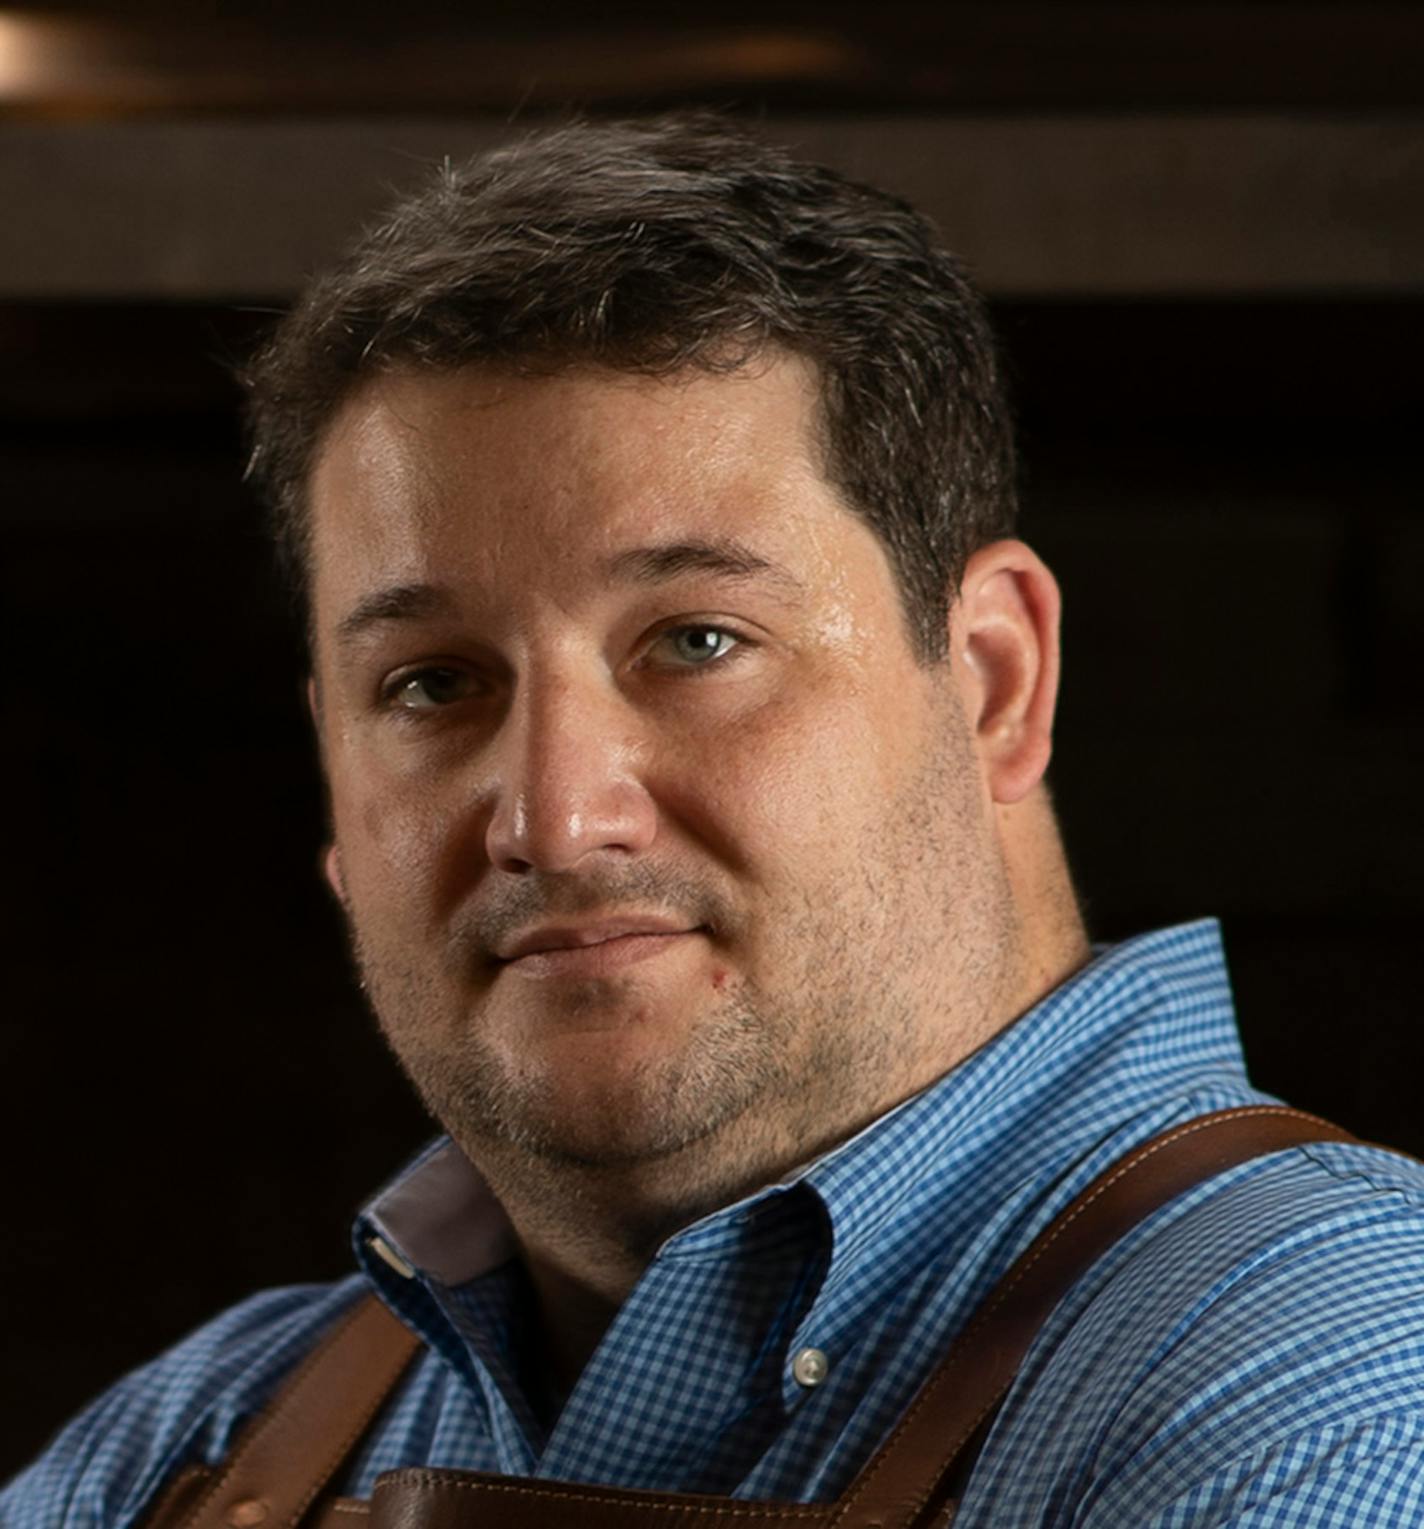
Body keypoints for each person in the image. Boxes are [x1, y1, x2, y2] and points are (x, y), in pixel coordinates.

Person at [6, 112, 1424, 1528]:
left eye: (694, 641)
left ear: (993, 678)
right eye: (433, 682)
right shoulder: (192, 1443)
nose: (555, 817)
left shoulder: (1344, 1376)